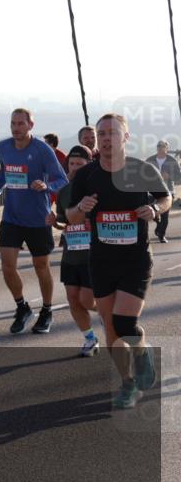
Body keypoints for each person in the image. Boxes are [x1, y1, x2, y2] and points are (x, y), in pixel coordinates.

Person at [67, 114, 171, 408]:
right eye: (101, 133)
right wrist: (80, 207)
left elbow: (166, 197)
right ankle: (127, 384)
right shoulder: (86, 175)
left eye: (112, 132)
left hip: (135, 259)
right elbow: (71, 216)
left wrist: (155, 208)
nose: (106, 138)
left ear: (126, 137)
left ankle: (141, 349)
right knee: (111, 328)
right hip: (101, 260)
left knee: (125, 322)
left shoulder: (142, 170)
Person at [0, 108, 68, 335]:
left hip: (38, 218)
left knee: (41, 266)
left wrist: (47, 187)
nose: (16, 128)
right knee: (8, 266)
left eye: (21, 124)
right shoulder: (3, 147)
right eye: (13, 123)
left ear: (31, 125)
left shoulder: (42, 150)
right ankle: (22, 307)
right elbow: (4, 173)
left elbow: (62, 179)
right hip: (12, 216)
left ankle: (47, 310)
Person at [50, 145, 100, 357]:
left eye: (80, 164)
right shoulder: (64, 191)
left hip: (93, 255)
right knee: (72, 298)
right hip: (71, 253)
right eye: (72, 164)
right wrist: (55, 223)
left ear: (89, 165)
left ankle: (116, 313)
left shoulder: (98, 188)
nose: (75, 168)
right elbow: (64, 223)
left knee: (88, 300)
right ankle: (90, 338)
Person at [146, 140, 180, 243]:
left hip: (168, 191)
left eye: (162, 146)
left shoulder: (172, 161)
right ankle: (157, 219)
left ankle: (161, 234)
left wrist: (169, 176)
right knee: (151, 211)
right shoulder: (150, 160)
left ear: (167, 148)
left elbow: (179, 176)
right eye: (158, 146)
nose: (160, 148)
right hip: (152, 191)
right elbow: (143, 174)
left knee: (165, 214)